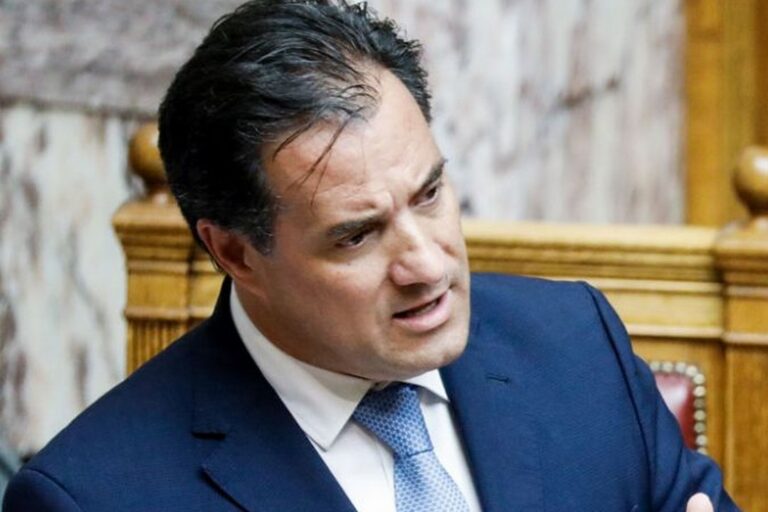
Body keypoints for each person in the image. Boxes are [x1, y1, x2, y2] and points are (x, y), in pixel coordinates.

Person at [3, 1, 739, 510]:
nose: (428, 266)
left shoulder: (578, 344)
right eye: (356, 235)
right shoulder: (96, 496)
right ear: (235, 253)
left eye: (430, 193)